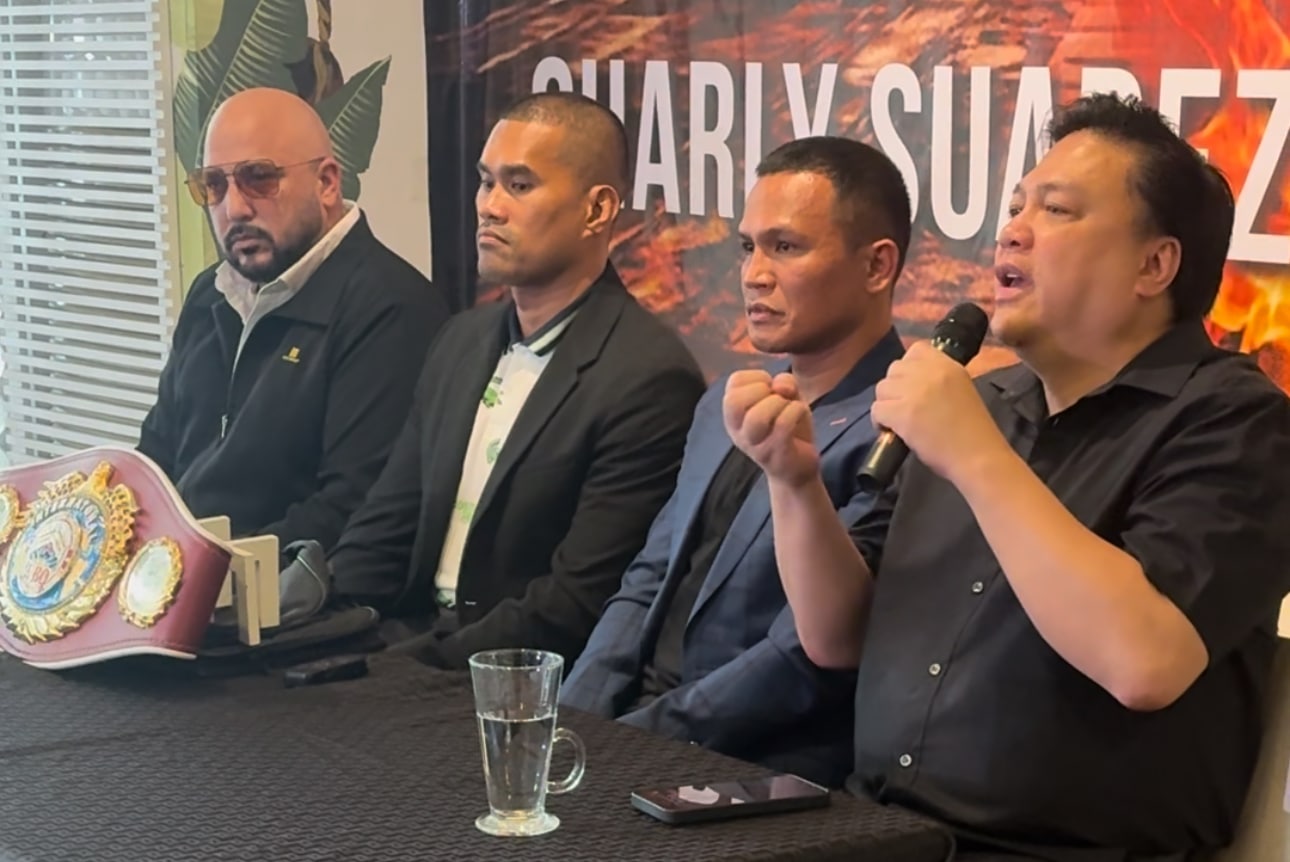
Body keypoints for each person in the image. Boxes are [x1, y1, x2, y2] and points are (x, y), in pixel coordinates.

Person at [725, 92, 1290, 861]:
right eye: (1017, 205)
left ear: (1154, 265)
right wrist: (794, 485)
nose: (1012, 231)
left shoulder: (1235, 421)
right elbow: (838, 637)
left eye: (1055, 212)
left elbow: (1146, 661)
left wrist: (977, 457)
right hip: (878, 832)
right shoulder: (979, 403)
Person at [561, 137, 910, 787]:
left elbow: (810, 657)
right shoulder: (725, 401)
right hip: (633, 741)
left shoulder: (900, 427)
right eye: (748, 246)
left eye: (786, 247)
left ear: (876, 266)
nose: (753, 273)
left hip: (760, 770)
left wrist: (638, 742)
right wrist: (570, 724)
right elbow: (649, 578)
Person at [312, 91, 705, 668]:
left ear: (597, 210)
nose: (489, 206)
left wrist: (403, 671)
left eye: (519, 185)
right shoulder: (460, 341)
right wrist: (320, 631)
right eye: (485, 181)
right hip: (408, 646)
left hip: (517, 684)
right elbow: (383, 531)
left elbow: (576, 604)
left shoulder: (648, 377)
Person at [138, 88, 448, 553]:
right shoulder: (211, 293)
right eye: (214, 186)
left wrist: (199, 573)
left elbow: (350, 512)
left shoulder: (390, 309)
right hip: (178, 589)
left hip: (284, 607)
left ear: (327, 183)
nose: (234, 208)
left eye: (259, 178)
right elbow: (156, 459)